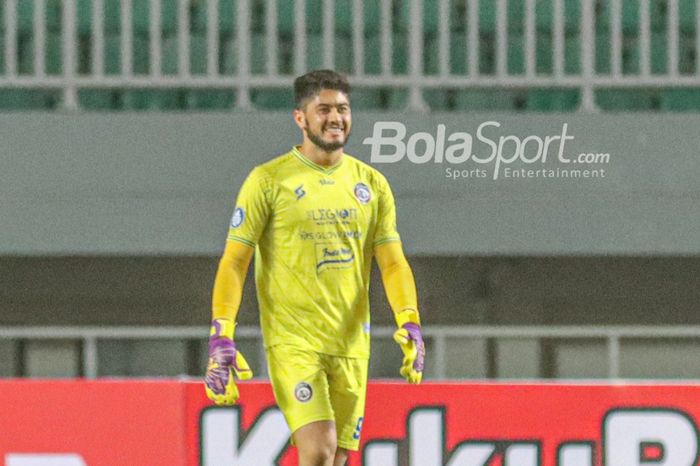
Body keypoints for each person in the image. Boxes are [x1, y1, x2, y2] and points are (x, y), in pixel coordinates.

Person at [204, 69, 425, 466]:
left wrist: (409, 320)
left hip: (351, 345)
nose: (335, 117)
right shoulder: (268, 181)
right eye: (323, 109)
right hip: (294, 343)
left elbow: (392, 263)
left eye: (342, 108)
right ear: (300, 118)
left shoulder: (372, 185)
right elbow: (235, 261)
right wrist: (222, 333)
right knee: (319, 449)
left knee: (335, 458)